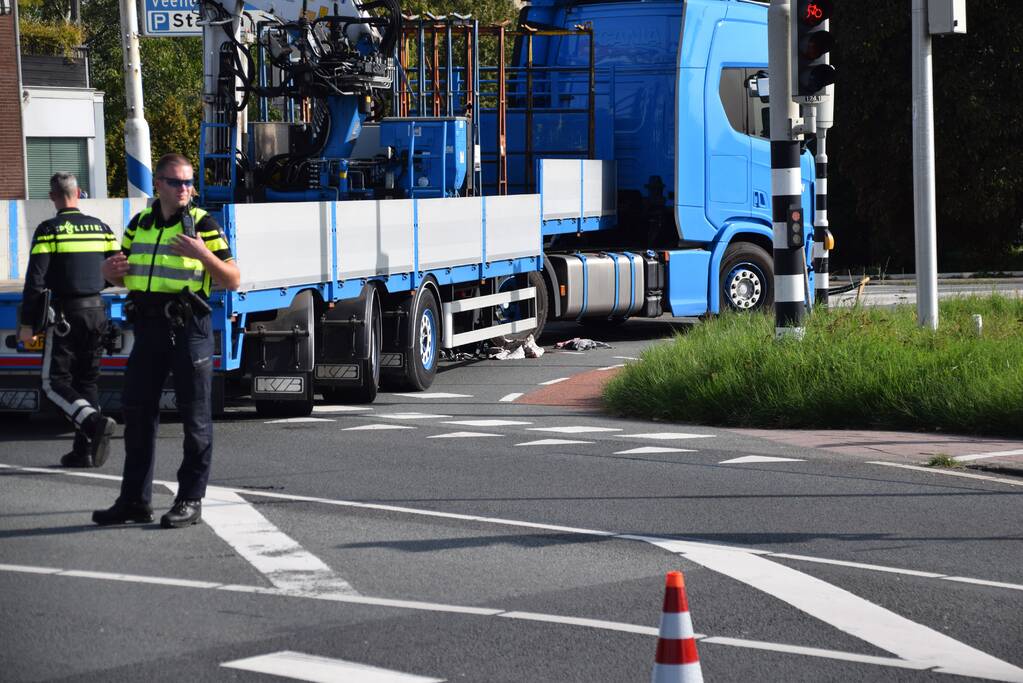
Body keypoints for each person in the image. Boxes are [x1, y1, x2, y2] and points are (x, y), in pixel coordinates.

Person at [93, 153, 240, 528]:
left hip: (189, 330)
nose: (185, 189)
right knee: (138, 414)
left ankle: (190, 499)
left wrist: (203, 253)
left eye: (190, 183)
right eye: (176, 182)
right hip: (148, 329)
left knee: (195, 419)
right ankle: (134, 501)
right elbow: (126, 275)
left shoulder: (202, 224)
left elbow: (232, 278)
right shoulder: (139, 223)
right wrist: (108, 273)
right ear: (158, 184)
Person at [18, 172, 118, 468]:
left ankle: (93, 422)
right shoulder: (101, 228)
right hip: (98, 312)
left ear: (52, 197)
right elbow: (117, 269)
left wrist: (27, 323)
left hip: (66, 316)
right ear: (79, 193)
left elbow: (34, 281)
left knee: (53, 383)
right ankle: (83, 451)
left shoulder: (49, 230)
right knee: (87, 381)